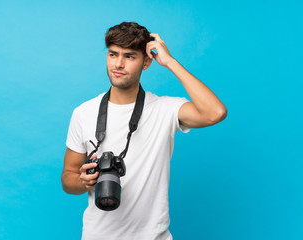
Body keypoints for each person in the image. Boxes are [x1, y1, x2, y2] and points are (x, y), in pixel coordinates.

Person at [61, 22, 227, 240]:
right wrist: (83, 181)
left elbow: (215, 112)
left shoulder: (165, 109)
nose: (118, 64)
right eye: (113, 54)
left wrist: (170, 62)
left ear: (146, 62)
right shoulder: (84, 112)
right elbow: (67, 178)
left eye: (129, 56)